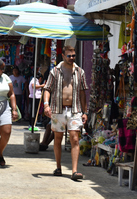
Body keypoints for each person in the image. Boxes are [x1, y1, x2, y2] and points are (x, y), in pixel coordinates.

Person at [42, 45, 88, 180]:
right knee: (58, 138)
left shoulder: (80, 72)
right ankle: (58, 167)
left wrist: (85, 111)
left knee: (74, 137)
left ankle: (74, 170)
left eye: (73, 55)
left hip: (75, 110)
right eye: (69, 56)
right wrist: (46, 105)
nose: (72, 58)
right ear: (63, 56)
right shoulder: (55, 71)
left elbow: (82, 92)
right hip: (58, 109)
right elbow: (47, 89)